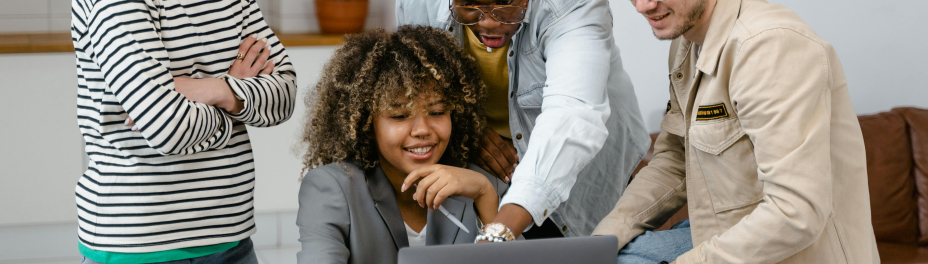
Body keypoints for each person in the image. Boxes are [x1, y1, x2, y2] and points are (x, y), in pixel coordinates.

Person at [592, 0, 880, 263]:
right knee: (611, 256)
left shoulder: (768, 46)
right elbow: (675, 161)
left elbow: (796, 212)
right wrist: (603, 240)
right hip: (729, 235)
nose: (644, 6)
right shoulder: (686, 44)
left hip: (800, 252)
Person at [396, 0, 651, 241]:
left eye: (505, 4)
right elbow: (417, 81)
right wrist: (467, 124)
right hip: (489, 164)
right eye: (470, 5)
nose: (488, 23)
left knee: (589, 248)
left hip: (588, 167)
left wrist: (498, 234)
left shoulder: (571, 6)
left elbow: (572, 115)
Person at [71, 0, 296, 262]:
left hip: (231, 237)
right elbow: (167, 127)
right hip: (139, 243)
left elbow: (285, 94)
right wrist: (234, 97)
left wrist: (217, 89)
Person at [295, 26, 509, 264]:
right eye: (399, 116)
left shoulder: (482, 183)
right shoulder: (333, 188)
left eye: (437, 112)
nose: (422, 130)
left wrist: (486, 196)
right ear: (367, 124)